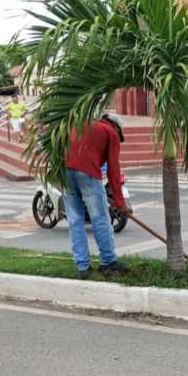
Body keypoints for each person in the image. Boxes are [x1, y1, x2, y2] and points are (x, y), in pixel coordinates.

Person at [64, 112, 131, 279]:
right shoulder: (111, 133)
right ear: (115, 126)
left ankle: (82, 266)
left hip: (65, 171)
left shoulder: (81, 124)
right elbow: (113, 171)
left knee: (75, 219)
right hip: (88, 172)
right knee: (99, 217)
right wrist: (120, 202)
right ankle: (108, 261)